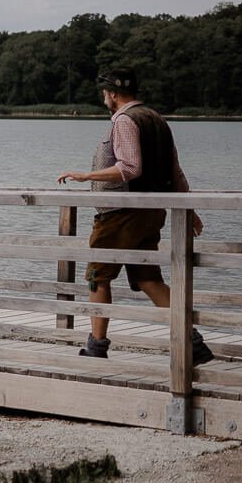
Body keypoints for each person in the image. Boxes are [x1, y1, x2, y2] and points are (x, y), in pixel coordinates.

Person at [57, 67, 213, 364]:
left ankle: (96, 347)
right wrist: (189, 212)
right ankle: (193, 342)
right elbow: (175, 173)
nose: (104, 97)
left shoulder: (125, 121)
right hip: (151, 214)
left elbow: (130, 168)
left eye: (105, 93)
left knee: (97, 278)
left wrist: (84, 175)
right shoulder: (157, 119)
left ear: (113, 94)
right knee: (147, 279)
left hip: (120, 214)